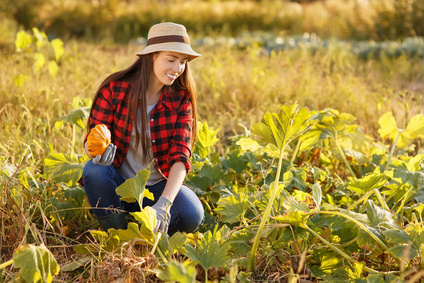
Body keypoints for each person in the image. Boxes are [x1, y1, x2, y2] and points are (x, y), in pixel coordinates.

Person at [82, 22, 204, 235]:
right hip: (118, 185)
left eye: (183, 62)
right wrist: (97, 154)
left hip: (156, 189)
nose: (177, 68)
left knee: (192, 213)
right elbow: (93, 136)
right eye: (171, 59)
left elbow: (180, 157)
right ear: (152, 56)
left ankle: (149, 227)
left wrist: (164, 204)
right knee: (94, 171)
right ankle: (119, 234)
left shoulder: (181, 99)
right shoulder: (115, 89)